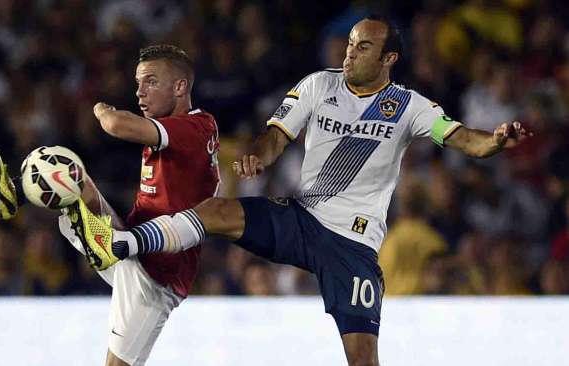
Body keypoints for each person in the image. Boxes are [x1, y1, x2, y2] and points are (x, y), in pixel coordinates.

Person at [72, 16, 531, 365]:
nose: (350, 54)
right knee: (214, 210)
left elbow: (465, 139)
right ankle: (126, 241)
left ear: (389, 59)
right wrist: (259, 156)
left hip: (351, 244)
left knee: (363, 357)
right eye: (350, 44)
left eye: (363, 48)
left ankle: (121, 237)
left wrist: (494, 141)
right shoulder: (318, 85)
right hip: (301, 218)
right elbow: (276, 136)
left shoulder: (409, 107)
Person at [0, 44, 220, 366]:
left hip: (155, 277)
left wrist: (102, 109)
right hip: (128, 245)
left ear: (180, 86)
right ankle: (15, 195)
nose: (139, 92)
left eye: (150, 82)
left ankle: (95, 235)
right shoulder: (179, 130)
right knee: (72, 175)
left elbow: (117, 125)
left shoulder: (193, 128)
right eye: (137, 83)